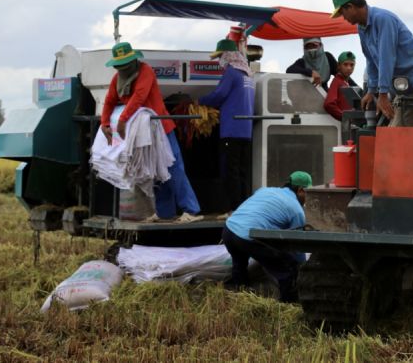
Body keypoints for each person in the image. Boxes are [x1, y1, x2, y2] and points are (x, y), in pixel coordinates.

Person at [100, 41, 202, 223]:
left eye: (125, 65)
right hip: (141, 134)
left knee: (174, 168)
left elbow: (139, 96)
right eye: (119, 66)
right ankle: (165, 212)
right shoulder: (117, 80)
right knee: (155, 170)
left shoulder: (146, 71)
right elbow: (109, 100)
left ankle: (191, 210)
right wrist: (105, 123)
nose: (122, 69)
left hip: (161, 128)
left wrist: (123, 119)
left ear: (134, 61)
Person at [331, 0, 413, 127]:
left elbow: (387, 57)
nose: (344, 18)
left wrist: (383, 94)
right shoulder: (361, 28)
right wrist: (372, 91)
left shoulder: (383, 19)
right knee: (397, 132)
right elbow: (371, 60)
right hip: (404, 84)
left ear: (350, 7)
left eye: (343, 13)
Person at [221, 171, 311, 302]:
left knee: (239, 265)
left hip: (229, 230)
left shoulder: (265, 190)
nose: (308, 198)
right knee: (287, 268)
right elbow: (297, 249)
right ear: (301, 190)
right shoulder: (297, 210)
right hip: (247, 236)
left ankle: (239, 298)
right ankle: (288, 304)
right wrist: (303, 269)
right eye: (308, 193)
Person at [198, 39, 255, 213]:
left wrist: (200, 101)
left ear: (227, 56)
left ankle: (235, 209)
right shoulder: (248, 74)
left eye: (220, 56)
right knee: (243, 172)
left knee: (231, 172)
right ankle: (245, 207)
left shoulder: (231, 72)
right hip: (246, 130)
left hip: (231, 130)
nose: (219, 60)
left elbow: (219, 94)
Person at [323, 51, 357, 121]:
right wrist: (344, 117)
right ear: (339, 66)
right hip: (342, 128)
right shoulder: (337, 81)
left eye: (352, 65)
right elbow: (329, 104)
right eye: (345, 64)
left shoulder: (345, 83)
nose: (349, 68)